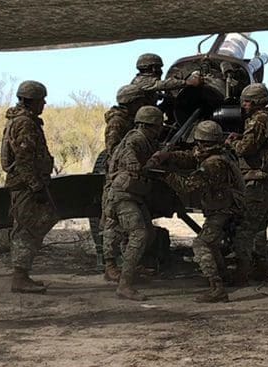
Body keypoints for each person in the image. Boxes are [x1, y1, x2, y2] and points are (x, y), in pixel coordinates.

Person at [151, 120, 244, 303]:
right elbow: (190, 157)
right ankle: (224, 276)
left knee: (201, 244)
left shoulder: (213, 164)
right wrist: (168, 156)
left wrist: (164, 174)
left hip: (224, 210)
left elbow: (187, 186)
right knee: (211, 244)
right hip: (226, 207)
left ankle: (217, 288)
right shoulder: (219, 153)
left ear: (201, 141)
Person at [103, 105, 166, 300]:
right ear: (151, 125)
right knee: (139, 234)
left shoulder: (144, 139)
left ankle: (131, 268)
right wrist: (153, 162)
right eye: (158, 126)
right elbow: (132, 162)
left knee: (149, 233)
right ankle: (125, 285)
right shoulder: (135, 139)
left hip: (133, 194)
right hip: (124, 194)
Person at [1, 80, 58, 294]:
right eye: (41, 100)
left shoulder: (20, 121)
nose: (44, 104)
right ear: (31, 101)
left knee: (30, 226)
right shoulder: (25, 123)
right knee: (27, 228)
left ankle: (22, 275)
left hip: (24, 183)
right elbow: (24, 159)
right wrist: (36, 186)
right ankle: (20, 277)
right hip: (26, 185)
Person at [227, 82, 268, 283]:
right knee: (258, 229)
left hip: (257, 181)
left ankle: (241, 273)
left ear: (256, 102)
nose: (244, 105)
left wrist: (232, 142)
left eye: (247, 102)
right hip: (265, 181)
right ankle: (261, 270)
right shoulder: (267, 117)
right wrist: (242, 137)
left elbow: (244, 149)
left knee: (245, 228)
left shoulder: (259, 120)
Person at [97, 83, 145, 282]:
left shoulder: (129, 120)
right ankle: (110, 266)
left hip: (123, 174)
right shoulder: (118, 122)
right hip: (116, 175)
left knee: (125, 225)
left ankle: (127, 264)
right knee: (112, 223)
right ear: (132, 102)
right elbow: (114, 150)